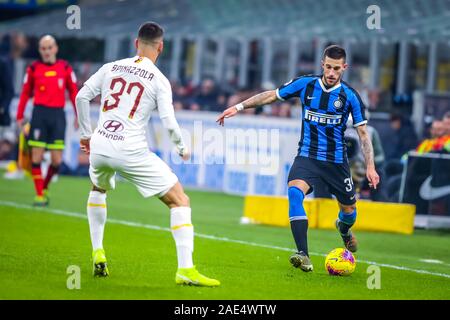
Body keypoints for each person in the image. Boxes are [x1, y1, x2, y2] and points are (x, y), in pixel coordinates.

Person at [75, 22, 219, 286]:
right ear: (161, 47)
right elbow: (169, 120)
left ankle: (98, 250)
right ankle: (185, 269)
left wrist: (86, 134)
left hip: (100, 143)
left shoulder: (111, 67)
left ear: (135, 43)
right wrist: (181, 147)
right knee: (180, 200)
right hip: (130, 150)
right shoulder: (159, 79)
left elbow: (82, 96)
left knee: (98, 188)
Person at [217, 45, 379, 272]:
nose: (331, 73)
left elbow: (363, 133)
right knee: (294, 192)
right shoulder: (306, 84)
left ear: (344, 68)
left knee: (349, 212)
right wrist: (239, 106)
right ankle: (303, 254)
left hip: (336, 162)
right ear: (323, 65)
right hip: (307, 156)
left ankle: (343, 230)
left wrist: (370, 167)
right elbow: (272, 96)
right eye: (328, 67)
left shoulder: (350, 96)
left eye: (336, 69)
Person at [16, 35, 79, 206]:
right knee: (36, 155)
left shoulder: (65, 67)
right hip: (39, 115)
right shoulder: (33, 68)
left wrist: (78, 114)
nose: (46, 51)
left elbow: (73, 92)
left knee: (57, 160)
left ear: (56, 48)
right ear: (39, 50)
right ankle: (39, 195)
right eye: (43, 48)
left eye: (49, 47)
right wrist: (20, 116)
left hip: (58, 115)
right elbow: (25, 93)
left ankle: (44, 187)